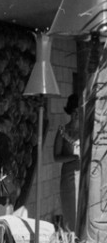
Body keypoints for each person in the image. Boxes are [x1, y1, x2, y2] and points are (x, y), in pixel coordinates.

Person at [53, 93, 80, 231]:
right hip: (69, 176)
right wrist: (74, 157)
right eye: (74, 111)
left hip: (85, 176)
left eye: (79, 110)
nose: (77, 114)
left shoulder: (86, 131)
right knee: (72, 213)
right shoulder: (63, 130)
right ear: (70, 111)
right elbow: (56, 157)